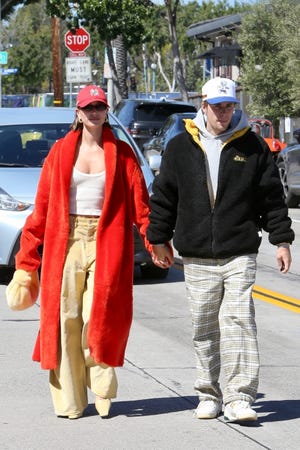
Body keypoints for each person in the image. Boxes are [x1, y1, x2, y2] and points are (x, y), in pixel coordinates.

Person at [147, 77, 294, 423]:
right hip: (196, 252)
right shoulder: (181, 146)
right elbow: (165, 195)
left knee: (239, 320)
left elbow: (271, 198)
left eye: (229, 106)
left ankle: (240, 397)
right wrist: (158, 238)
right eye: (217, 106)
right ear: (204, 105)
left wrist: (282, 240)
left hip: (239, 249)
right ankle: (208, 393)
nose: (224, 113)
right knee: (204, 324)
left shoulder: (253, 146)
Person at [8, 85, 153, 419]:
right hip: (67, 240)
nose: (95, 112)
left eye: (100, 106)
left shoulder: (123, 154)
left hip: (107, 240)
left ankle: (101, 383)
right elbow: (41, 210)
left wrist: (153, 241)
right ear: (78, 112)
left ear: (106, 111)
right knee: (66, 319)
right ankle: (71, 400)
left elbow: (140, 208)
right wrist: (27, 260)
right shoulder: (60, 153)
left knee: (97, 314)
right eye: (89, 107)